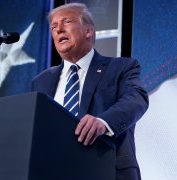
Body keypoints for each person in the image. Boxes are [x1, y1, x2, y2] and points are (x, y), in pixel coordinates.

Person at [31, 2, 148, 180]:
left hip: (108, 169)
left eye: (66, 22)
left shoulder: (121, 67)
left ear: (88, 31)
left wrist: (103, 121)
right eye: (54, 27)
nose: (58, 30)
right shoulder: (40, 81)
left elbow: (136, 99)